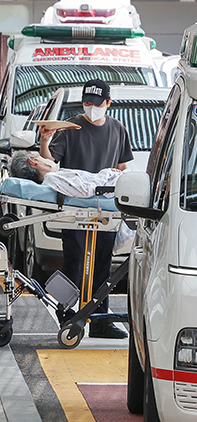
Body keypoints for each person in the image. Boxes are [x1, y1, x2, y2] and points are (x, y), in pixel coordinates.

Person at [38, 78, 133, 339]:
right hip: (74, 208)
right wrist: (45, 141)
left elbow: (123, 167)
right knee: (76, 262)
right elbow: (50, 165)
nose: (92, 108)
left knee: (103, 264)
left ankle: (100, 320)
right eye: (87, 103)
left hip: (105, 209)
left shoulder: (118, 129)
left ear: (108, 103)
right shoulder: (70, 128)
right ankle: (67, 314)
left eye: (97, 103)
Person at [9, 151, 122, 198]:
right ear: (33, 161)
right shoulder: (52, 179)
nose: (43, 157)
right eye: (38, 155)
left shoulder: (57, 174)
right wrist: (106, 172)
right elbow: (88, 190)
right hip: (119, 186)